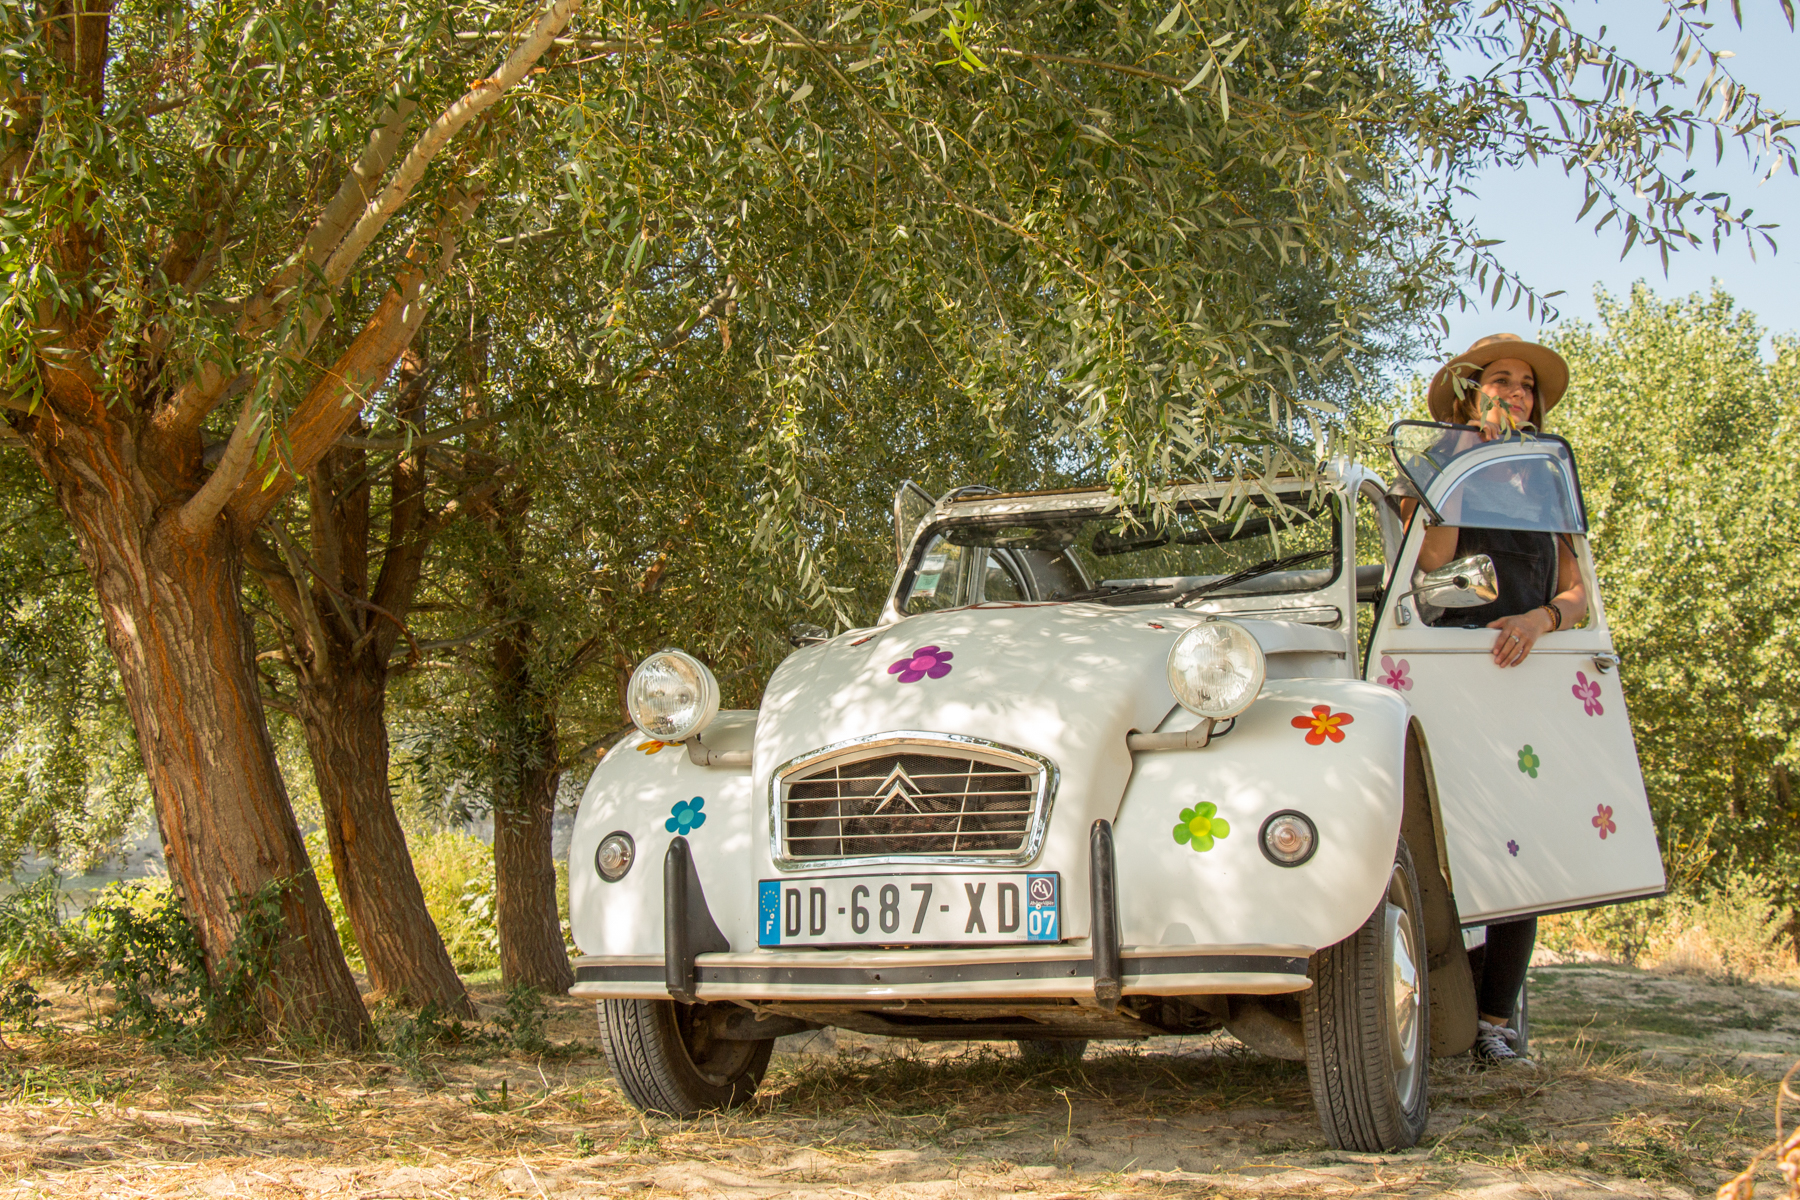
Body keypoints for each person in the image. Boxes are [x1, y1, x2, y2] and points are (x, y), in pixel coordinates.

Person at [1410, 333, 1592, 1064]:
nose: (1515, 393)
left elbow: (1578, 592)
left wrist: (1541, 618)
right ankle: (1431, 1009)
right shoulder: (1434, 463)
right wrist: (1461, 462)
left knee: (1524, 843)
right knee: (1453, 842)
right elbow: (1430, 560)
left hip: (1531, 674)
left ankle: (1492, 1020)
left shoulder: (1550, 484)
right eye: (1500, 381)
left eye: (1525, 387)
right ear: (1470, 394)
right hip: (1450, 670)